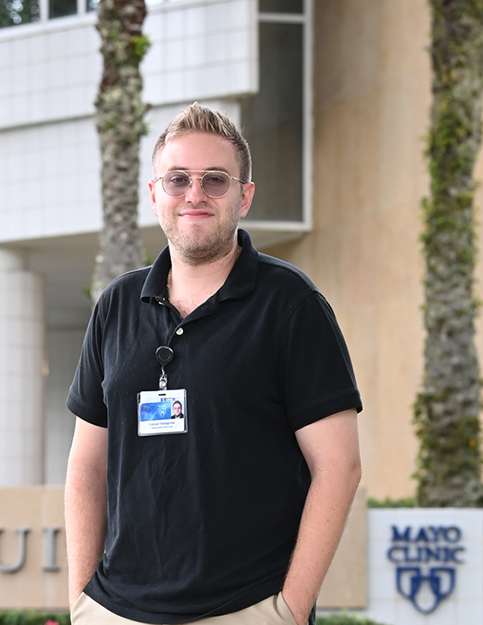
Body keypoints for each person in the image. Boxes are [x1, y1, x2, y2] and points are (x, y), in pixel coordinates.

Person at [65, 103, 362, 625]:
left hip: (245, 608)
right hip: (116, 610)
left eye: (215, 180)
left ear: (244, 196)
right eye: (177, 179)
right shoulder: (116, 305)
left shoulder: (290, 304)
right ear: (155, 194)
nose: (195, 194)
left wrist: (287, 612)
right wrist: (81, 603)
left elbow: (339, 466)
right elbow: (87, 465)